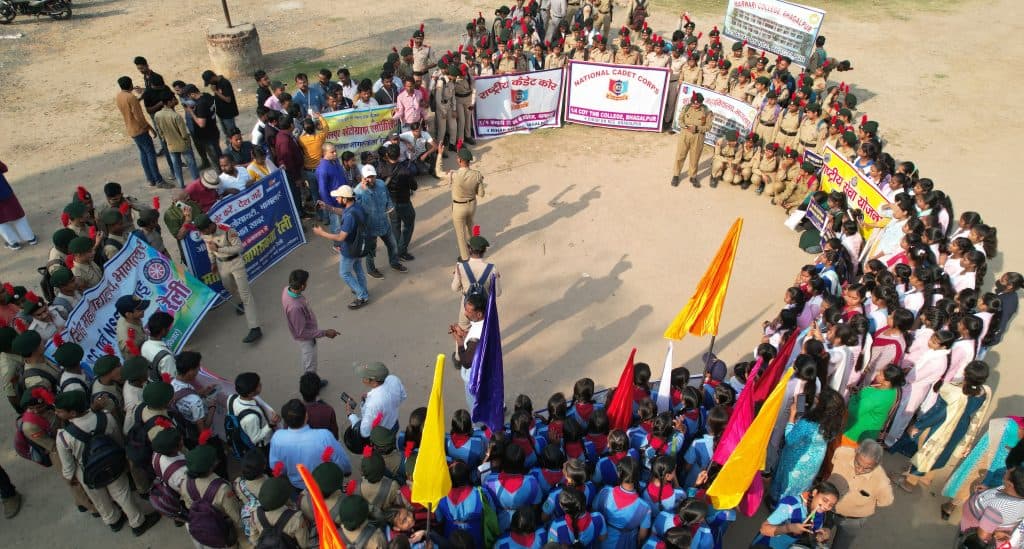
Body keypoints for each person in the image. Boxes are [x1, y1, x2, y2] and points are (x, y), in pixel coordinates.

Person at [55, 391, 161, 536]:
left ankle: (113, 520)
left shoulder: (63, 436)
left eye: (60, 411)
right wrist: (122, 459)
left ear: (72, 413)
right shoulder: (105, 417)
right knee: (122, 493)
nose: (56, 413)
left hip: (86, 471)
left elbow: (68, 466)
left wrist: (70, 479)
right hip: (112, 463)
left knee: (99, 499)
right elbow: (118, 440)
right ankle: (137, 523)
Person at [896, 361, 992, 492]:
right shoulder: (984, 392)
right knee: (943, 453)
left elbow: (938, 413)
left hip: (942, 427)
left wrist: (918, 425)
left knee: (927, 452)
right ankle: (928, 477)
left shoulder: (953, 391)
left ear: (965, 373)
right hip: (961, 427)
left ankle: (910, 482)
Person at [768, 388, 846, 505]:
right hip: (813, 464)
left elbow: (790, 439)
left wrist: (792, 416)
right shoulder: (834, 424)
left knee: (786, 484)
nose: (816, 397)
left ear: (822, 405)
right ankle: (792, 507)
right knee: (800, 487)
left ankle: (777, 505)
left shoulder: (808, 423)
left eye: (818, 398)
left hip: (796, 460)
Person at [194, 213, 263, 343]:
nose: (203, 234)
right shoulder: (205, 234)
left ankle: (255, 328)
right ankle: (241, 301)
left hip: (235, 263)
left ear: (209, 226)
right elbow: (209, 248)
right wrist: (213, 262)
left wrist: (220, 249)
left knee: (246, 295)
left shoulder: (227, 230)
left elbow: (239, 248)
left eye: (204, 231)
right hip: (221, 264)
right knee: (228, 287)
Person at [269, 399, 351, 490]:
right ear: (306, 416)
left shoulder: (277, 438)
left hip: (298, 485)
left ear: (285, 421)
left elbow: (276, 466)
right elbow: (340, 460)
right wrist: (346, 471)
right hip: (324, 483)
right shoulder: (324, 436)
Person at [826, 439, 893, 548]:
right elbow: (832, 463)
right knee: (818, 537)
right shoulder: (841, 453)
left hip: (852, 521)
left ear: (877, 465)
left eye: (867, 468)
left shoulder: (882, 482)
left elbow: (885, 501)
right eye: (857, 463)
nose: (860, 470)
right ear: (855, 453)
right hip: (827, 509)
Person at [312, 185, 371, 309]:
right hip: (358, 246)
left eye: (339, 197)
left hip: (350, 249)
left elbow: (340, 237)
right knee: (358, 270)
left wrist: (321, 233)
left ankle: (362, 295)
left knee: (344, 273)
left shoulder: (349, 217)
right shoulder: (355, 207)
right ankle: (363, 290)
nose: (337, 199)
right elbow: (343, 211)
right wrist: (327, 207)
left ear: (345, 199)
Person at [355, 164, 408, 278]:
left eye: (372, 176)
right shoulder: (358, 191)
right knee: (371, 251)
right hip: (370, 227)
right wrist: (364, 191)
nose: (371, 179)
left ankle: (394, 263)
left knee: (392, 245)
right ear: (363, 178)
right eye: (368, 177)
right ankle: (371, 270)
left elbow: (387, 197)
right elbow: (355, 209)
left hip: (384, 223)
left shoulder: (381, 184)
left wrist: (390, 207)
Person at [115, 76, 169, 188]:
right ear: (130, 85)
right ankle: (158, 180)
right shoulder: (131, 98)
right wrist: (149, 128)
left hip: (131, 129)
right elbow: (139, 117)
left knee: (144, 153)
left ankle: (150, 179)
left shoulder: (119, 96)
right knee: (150, 154)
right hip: (140, 130)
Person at [282, 269, 339, 375]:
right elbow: (302, 332)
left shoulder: (287, 290)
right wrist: (325, 333)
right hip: (306, 338)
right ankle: (311, 382)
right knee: (310, 363)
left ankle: (311, 379)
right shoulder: (295, 307)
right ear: (302, 286)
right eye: (306, 282)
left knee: (309, 360)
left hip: (308, 331)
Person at [342, 361, 407, 453]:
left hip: (380, 435)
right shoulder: (393, 379)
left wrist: (351, 414)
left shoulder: (372, 404)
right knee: (391, 444)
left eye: (364, 377)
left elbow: (365, 432)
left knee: (382, 451)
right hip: (394, 423)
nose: (362, 379)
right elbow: (403, 396)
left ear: (374, 381)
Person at [753, 481, 839, 548]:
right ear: (814, 493)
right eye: (825, 500)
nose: (826, 507)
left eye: (831, 505)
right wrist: (789, 528)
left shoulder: (820, 513)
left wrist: (820, 536)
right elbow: (764, 529)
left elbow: (812, 536)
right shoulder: (791, 504)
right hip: (768, 544)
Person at [436, 144, 485, 261]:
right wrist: (479, 183)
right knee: (471, 227)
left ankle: (465, 257)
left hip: (459, 207)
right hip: (471, 205)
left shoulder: (454, 175)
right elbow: (481, 194)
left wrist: (439, 154)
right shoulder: (477, 174)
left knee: (461, 233)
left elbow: (438, 172)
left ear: (459, 160)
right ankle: (476, 250)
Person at [592, 456, 652, 548]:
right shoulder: (644, 507)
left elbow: (594, 511)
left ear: (619, 473)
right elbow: (641, 537)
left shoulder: (605, 492)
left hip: (602, 540)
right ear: (637, 476)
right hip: (626, 544)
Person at [452, 234, 501, 329]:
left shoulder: (461, 267)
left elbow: (455, 288)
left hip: (466, 307)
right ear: (484, 251)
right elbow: (498, 293)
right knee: (483, 332)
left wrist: (457, 277)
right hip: (483, 308)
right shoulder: (492, 269)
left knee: (463, 331)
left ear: (469, 249)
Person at [378, 145, 418, 261]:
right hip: (404, 202)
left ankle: (396, 250)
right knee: (408, 224)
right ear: (399, 155)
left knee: (395, 226)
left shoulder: (382, 169)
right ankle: (402, 251)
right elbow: (414, 186)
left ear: (387, 155)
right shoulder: (405, 170)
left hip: (390, 203)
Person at [153, 92, 200, 188]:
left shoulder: (157, 115)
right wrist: (188, 141)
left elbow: (160, 131)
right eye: (173, 99)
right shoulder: (176, 116)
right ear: (169, 102)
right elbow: (184, 134)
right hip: (183, 144)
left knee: (176, 166)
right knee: (191, 164)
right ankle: (197, 184)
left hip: (170, 144)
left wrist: (165, 140)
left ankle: (181, 185)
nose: (175, 101)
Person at [451, 292, 487, 412]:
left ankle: (477, 422)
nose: (465, 313)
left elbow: (467, 362)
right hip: (485, 370)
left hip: (474, 377)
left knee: (474, 406)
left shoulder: (475, 337)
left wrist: (459, 341)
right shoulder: (487, 322)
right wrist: (464, 334)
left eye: (468, 311)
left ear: (479, 314)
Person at [671, 92, 713, 188]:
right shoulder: (687, 108)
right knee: (680, 155)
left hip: (698, 136)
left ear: (701, 103)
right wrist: (685, 126)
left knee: (695, 157)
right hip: (685, 134)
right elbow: (680, 120)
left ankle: (693, 176)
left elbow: (708, 127)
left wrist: (697, 128)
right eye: (693, 103)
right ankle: (676, 175)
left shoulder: (707, 112)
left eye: (697, 104)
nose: (694, 105)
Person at [183, 84, 222, 171]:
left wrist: (191, 112)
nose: (188, 99)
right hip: (214, 130)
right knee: (218, 155)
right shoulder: (207, 96)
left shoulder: (201, 104)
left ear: (192, 94)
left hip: (207, 136)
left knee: (216, 160)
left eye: (188, 97)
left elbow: (201, 124)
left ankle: (222, 175)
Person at [0, 160, 37, 250]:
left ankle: (13, 243)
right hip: (5, 193)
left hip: (5, 193)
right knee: (18, 216)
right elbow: (4, 168)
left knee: (1, 222)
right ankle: (30, 238)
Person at [201, 70, 239, 144]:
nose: (210, 84)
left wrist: (216, 91)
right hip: (221, 114)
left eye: (209, 81)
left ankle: (235, 147)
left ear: (212, 77)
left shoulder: (224, 83)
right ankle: (230, 146)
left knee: (233, 134)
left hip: (228, 114)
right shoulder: (216, 83)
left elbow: (228, 99)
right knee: (227, 134)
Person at [299, 372, 339, 438]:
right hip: (323, 443)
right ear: (318, 392)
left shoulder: (292, 410)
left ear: (301, 391)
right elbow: (334, 435)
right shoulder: (328, 410)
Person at [114, 295, 148, 359]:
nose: (143, 310)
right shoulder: (127, 340)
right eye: (139, 310)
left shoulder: (130, 317)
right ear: (129, 314)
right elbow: (136, 359)